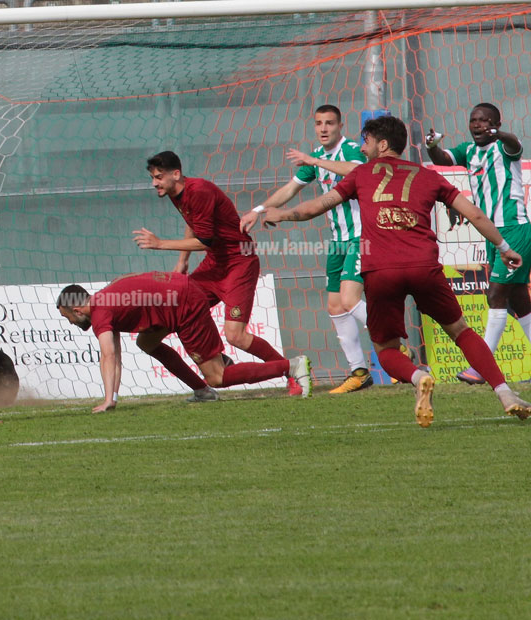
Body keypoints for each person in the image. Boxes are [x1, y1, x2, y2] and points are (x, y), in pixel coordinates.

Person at [264, 114, 531, 426]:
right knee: (461, 331)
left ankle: (419, 378)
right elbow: (474, 213)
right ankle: (505, 393)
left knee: (387, 351)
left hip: (381, 272)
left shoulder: (362, 175)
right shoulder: (427, 175)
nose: (363, 149)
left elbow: (316, 207)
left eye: (366, 142)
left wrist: (281, 214)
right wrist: (503, 247)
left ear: (383, 144)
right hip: (424, 268)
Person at [134, 151, 297, 397]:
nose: (154, 183)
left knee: (236, 336)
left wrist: (160, 243)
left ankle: (293, 373)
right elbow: (194, 222)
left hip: (238, 263)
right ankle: (210, 376)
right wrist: (182, 262)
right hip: (214, 264)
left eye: (158, 177)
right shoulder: (176, 192)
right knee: (180, 308)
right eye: (152, 178)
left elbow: (205, 240)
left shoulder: (199, 190)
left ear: (176, 174)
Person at [240, 104, 372, 394]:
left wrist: (313, 159)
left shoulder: (349, 148)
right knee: (335, 306)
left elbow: (358, 171)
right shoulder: (316, 157)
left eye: (329, 123)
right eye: (318, 123)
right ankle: (359, 372)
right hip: (337, 239)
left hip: (362, 236)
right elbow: (289, 189)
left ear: (340, 126)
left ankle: (395, 347)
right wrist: (258, 210)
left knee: (350, 300)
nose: (323, 128)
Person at [56, 272, 313, 413]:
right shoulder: (105, 300)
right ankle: (202, 392)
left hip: (184, 304)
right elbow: (115, 357)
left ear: (77, 308)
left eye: (66, 316)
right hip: (179, 293)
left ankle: (291, 366)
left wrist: (109, 400)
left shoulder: (100, 312)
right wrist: (111, 396)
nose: (68, 322)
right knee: (146, 343)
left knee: (218, 377)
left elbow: (109, 357)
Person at [424, 103, 531, 385]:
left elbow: (514, 142)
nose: (478, 125)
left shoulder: (505, 147)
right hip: (491, 232)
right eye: (474, 120)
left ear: (495, 123)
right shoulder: (468, 151)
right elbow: (443, 159)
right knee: (519, 298)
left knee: (495, 295)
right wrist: (432, 146)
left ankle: (483, 366)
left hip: (514, 228)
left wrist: (500, 133)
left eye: (484, 121)